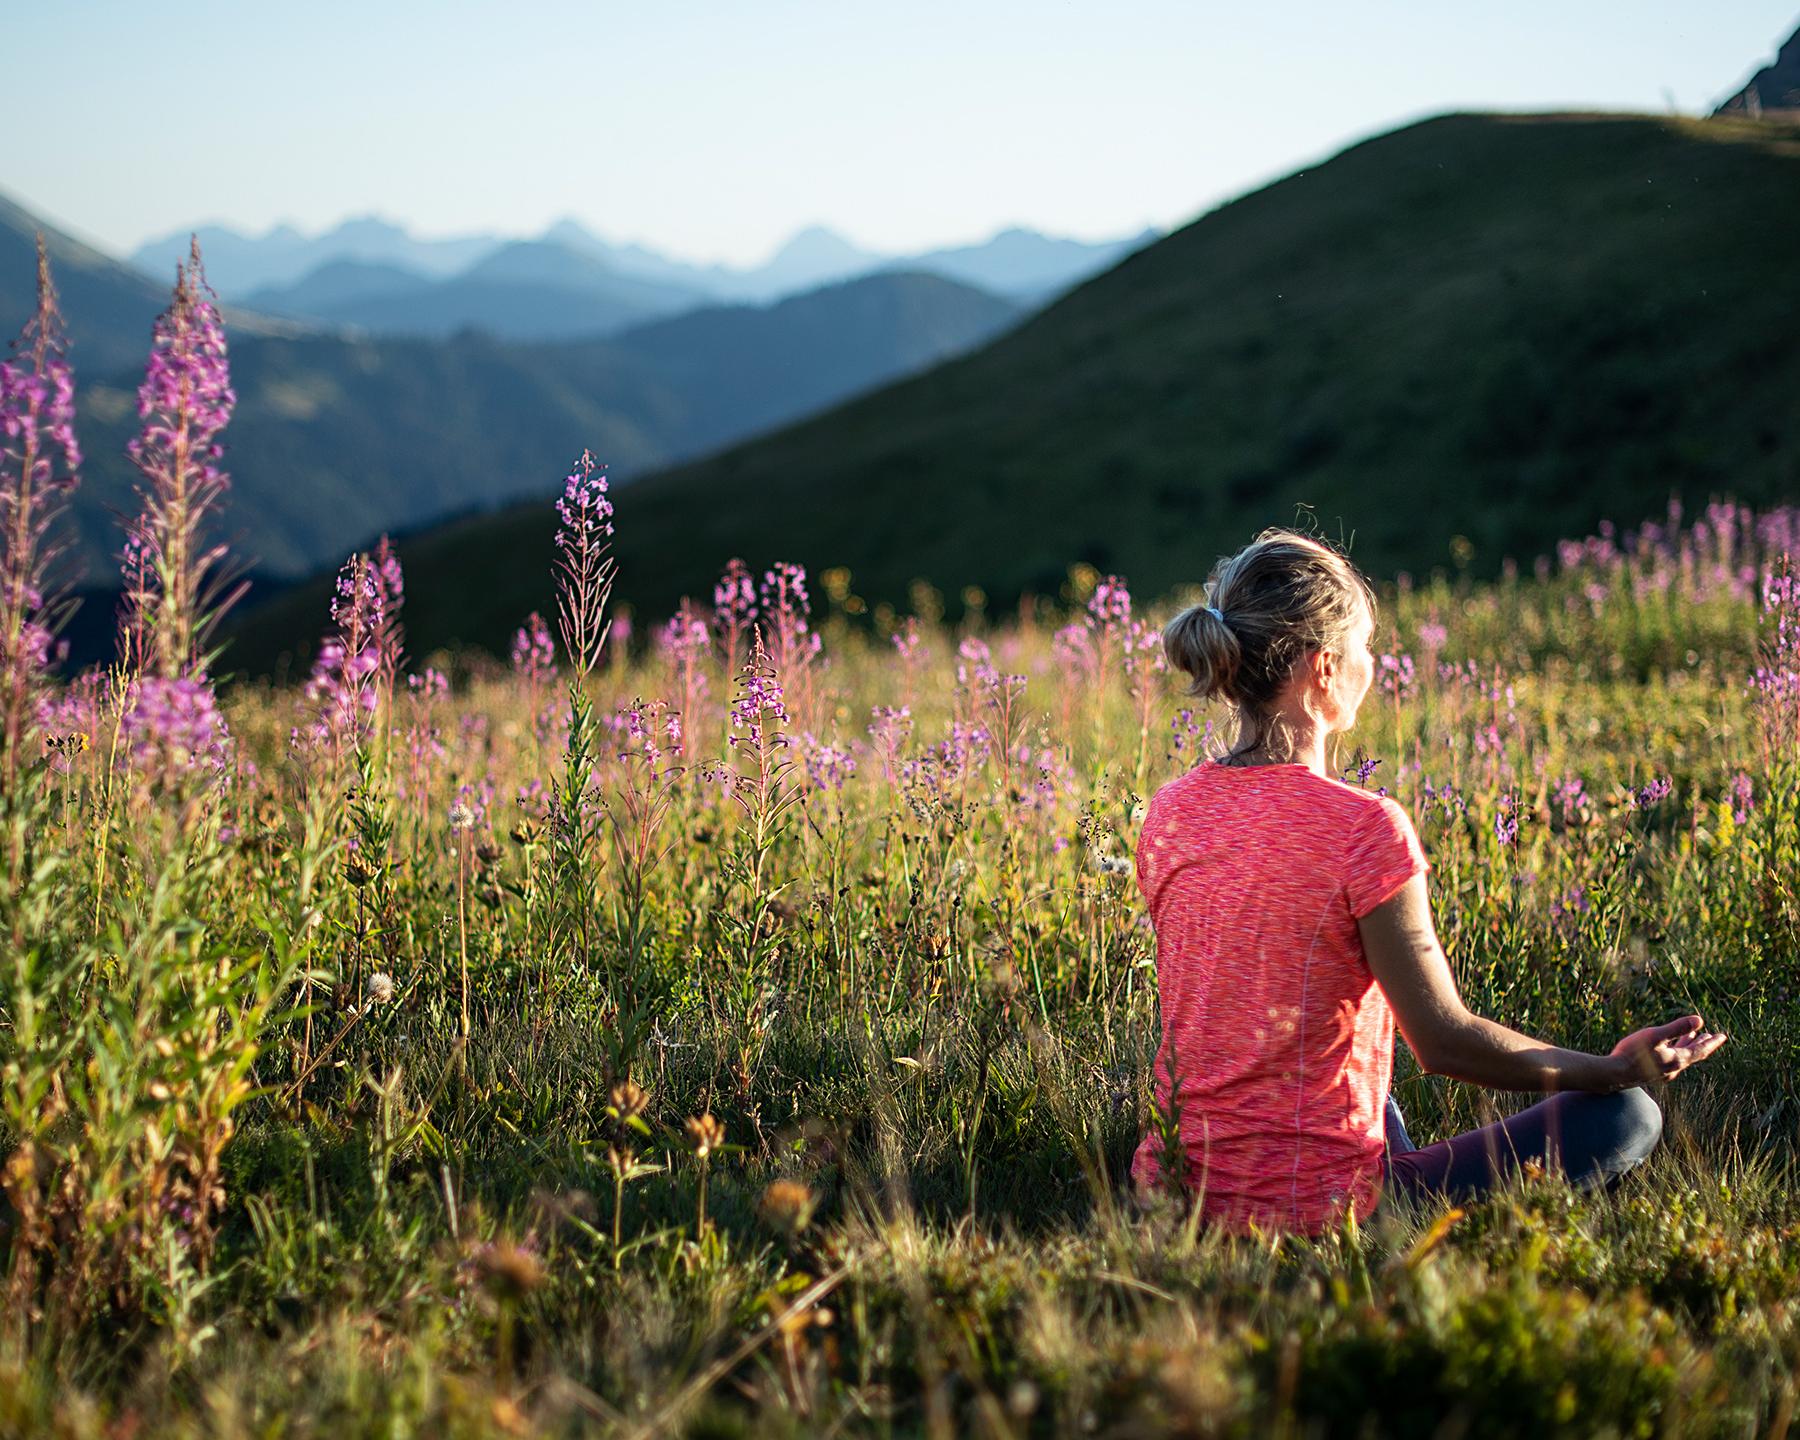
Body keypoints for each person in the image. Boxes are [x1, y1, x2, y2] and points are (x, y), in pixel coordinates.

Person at [1129, 528, 1726, 1232]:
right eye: (1366, 649)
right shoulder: (1363, 828)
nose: (1372, 667)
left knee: (1369, 1082)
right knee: (1627, 1117)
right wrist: (1614, 1070)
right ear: (1324, 668)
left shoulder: (1171, 810)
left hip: (1172, 1193)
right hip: (1323, 1208)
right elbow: (1443, 1043)